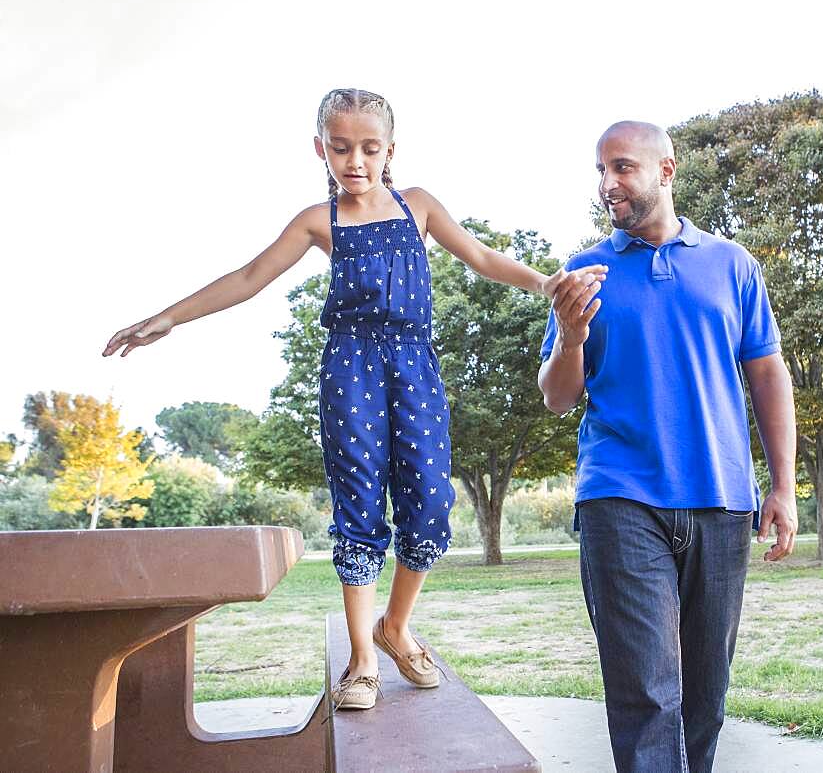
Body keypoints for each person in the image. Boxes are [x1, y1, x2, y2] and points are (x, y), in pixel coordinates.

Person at [103, 87, 606, 710]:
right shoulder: (320, 221)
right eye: (342, 149)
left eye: (370, 148)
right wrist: (168, 318)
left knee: (428, 498)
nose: (356, 161)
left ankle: (394, 628)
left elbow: (478, 255)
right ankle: (362, 657)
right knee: (359, 498)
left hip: (414, 366)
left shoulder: (417, 205)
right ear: (322, 149)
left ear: (391, 150)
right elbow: (248, 277)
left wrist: (545, 282)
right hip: (351, 369)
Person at [538, 121, 798, 772]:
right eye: (600, 171)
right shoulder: (581, 273)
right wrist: (570, 336)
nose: (608, 185)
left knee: (705, 698)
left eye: (622, 168)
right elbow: (557, 396)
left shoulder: (731, 265)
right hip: (620, 498)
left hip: (721, 498)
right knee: (647, 698)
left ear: (666, 170)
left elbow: (767, 374)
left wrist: (784, 487)